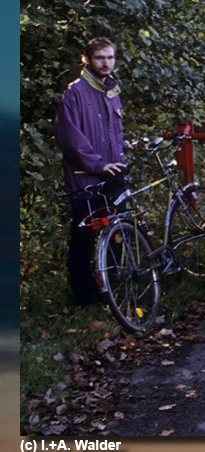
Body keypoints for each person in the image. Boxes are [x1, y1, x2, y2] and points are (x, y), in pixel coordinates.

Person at [54, 37, 130, 306]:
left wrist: (122, 145)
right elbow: (69, 138)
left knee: (117, 236)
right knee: (85, 240)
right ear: (86, 59)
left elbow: (107, 132)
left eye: (110, 57)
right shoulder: (75, 92)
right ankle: (86, 301)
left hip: (113, 175)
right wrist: (98, 164)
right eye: (100, 58)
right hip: (86, 180)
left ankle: (112, 291)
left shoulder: (110, 90)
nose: (106, 63)